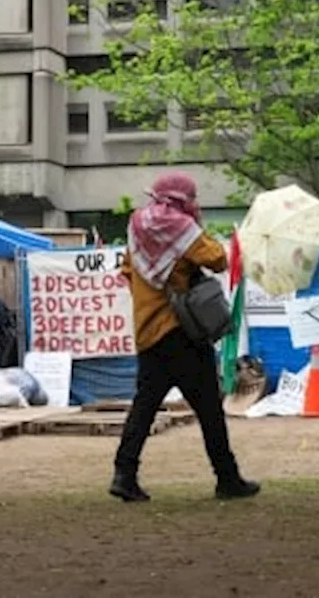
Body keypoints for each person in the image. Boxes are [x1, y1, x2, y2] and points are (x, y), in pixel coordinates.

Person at [110, 172, 260, 502]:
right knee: (209, 408)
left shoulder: (137, 226)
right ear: (183, 200)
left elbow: (126, 270)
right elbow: (218, 260)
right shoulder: (182, 227)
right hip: (183, 333)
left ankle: (124, 474)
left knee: (144, 406)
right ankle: (227, 478)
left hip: (149, 333)